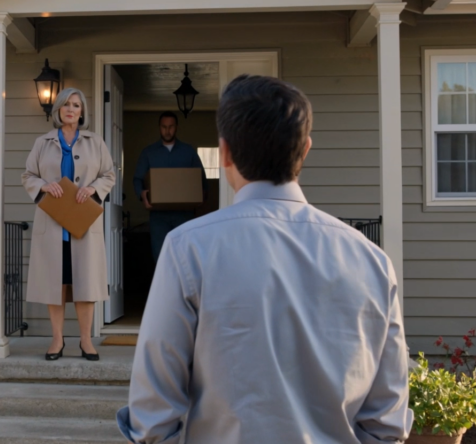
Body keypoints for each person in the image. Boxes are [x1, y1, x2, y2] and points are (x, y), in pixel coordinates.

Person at [117, 75, 412, 444]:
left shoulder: (187, 250)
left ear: (224, 153)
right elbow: (386, 425)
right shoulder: (373, 262)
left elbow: (153, 418)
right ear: (305, 149)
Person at [22, 88, 116, 362]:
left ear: (82, 111)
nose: (71, 109)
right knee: (56, 284)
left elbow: (109, 173)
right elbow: (28, 175)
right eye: (66, 105)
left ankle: (86, 341)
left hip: (83, 225)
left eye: (76, 105)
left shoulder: (95, 142)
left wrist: (94, 189)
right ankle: (57, 340)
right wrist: (44, 185)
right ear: (58, 110)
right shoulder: (43, 142)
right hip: (52, 226)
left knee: (84, 284)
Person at [133, 111, 207, 261]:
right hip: (158, 216)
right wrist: (142, 195)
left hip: (184, 215)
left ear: (177, 127)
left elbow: (201, 180)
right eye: (164, 127)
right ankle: (163, 286)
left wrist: (200, 199)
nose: (167, 130)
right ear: (159, 127)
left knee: (185, 257)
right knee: (161, 258)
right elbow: (137, 179)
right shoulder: (149, 153)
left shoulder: (188, 151)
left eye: (171, 127)